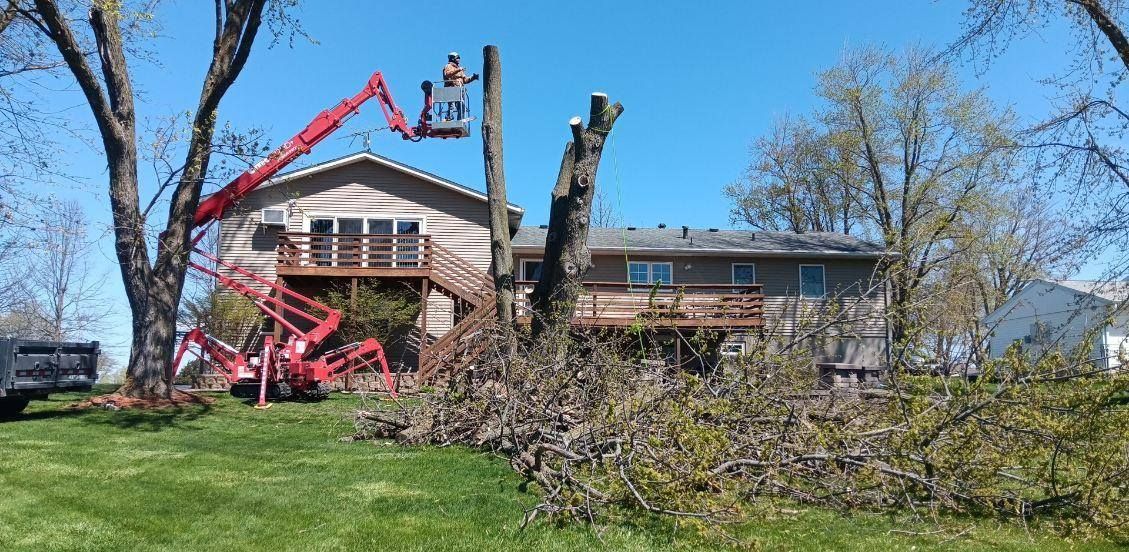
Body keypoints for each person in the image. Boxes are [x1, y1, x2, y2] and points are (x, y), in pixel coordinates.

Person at [442, 52, 478, 120]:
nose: (458, 59)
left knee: (461, 106)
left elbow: (465, 80)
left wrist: (473, 78)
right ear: (452, 59)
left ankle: (460, 120)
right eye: (457, 58)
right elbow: (447, 74)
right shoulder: (448, 66)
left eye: (459, 58)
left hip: (460, 90)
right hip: (451, 89)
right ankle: (448, 117)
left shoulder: (460, 69)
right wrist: (458, 70)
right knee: (452, 106)